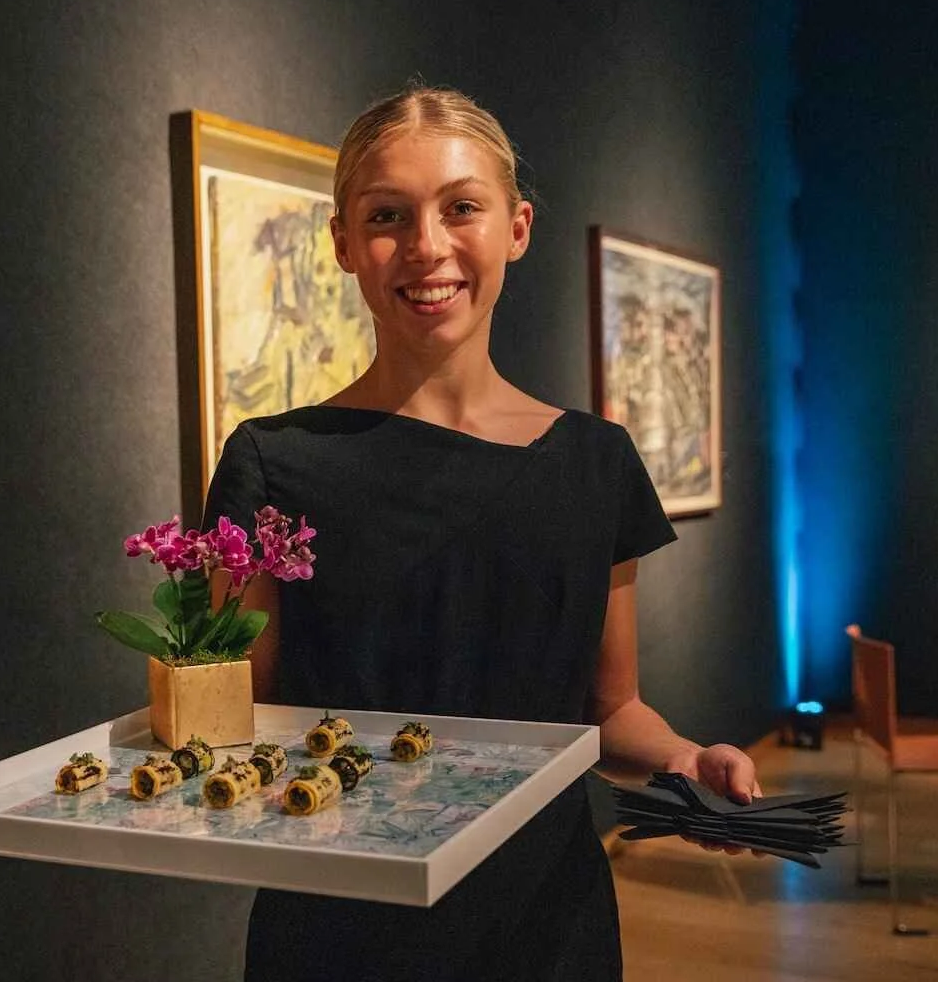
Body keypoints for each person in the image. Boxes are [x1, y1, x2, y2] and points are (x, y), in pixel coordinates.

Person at [202, 84, 760, 982]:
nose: (427, 247)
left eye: (462, 207)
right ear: (343, 241)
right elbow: (230, 721)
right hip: (340, 933)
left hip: (545, 926)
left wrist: (683, 758)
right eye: (388, 214)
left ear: (517, 228)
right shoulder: (273, 462)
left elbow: (608, 712)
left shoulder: (596, 461)